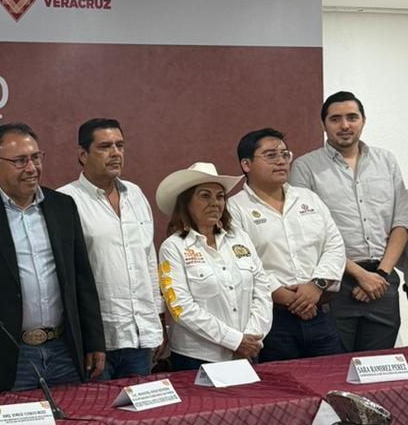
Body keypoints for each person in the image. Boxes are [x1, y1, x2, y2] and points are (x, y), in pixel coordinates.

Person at [0, 122, 105, 395]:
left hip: (64, 351)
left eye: (36, 158)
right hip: (7, 355)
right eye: (20, 161)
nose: (31, 168)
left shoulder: (62, 206)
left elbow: (82, 279)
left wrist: (94, 342)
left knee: (73, 421)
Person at [290, 91, 408, 352]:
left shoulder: (386, 161)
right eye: (335, 119)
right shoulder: (305, 167)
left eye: (352, 117)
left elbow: (401, 222)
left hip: (383, 281)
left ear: (363, 120)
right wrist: (360, 275)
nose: (344, 125)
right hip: (335, 283)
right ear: (323, 124)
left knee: (380, 367)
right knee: (335, 367)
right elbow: (308, 234)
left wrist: (380, 275)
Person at [58, 118, 164, 379]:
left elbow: (148, 259)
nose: (115, 153)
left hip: (140, 335)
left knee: (141, 406)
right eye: (105, 146)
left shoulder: (135, 194)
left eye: (120, 145)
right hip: (96, 341)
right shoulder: (65, 200)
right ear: (83, 155)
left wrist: (157, 318)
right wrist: (85, 338)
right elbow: (67, 277)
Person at [229, 128, 345, 362]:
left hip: (318, 311)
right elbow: (242, 262)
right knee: (281, 383)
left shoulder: (308, 198)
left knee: (332, 376)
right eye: (271, 155)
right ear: (246, 164)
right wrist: (285, 296)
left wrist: (316, 286)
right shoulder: (234, 208)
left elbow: (334, 245)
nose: (281, 161)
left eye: (285, 154)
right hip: (272, 317)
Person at [156, 162, 272, 370]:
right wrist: (234, 341)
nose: (215, 203)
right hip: (197, 356)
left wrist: (252, 336)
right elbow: (180, 306)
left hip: (247, 350)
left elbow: (262, 289)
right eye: (205, 196)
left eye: (220, 197)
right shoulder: (173, 247)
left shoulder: (240, 238)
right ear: (186, 202)